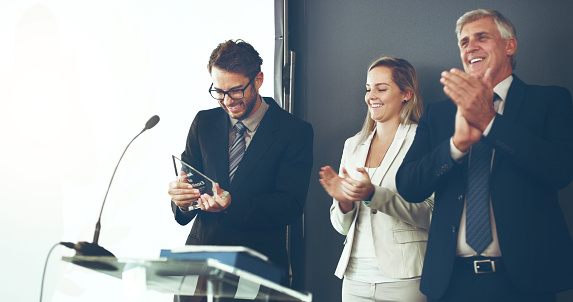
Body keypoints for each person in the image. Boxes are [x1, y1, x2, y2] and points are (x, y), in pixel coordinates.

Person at [396, 9, 573, 302]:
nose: (470, 47)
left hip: (526, 283)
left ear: (509, 45)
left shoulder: (550, 100)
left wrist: (491, 121)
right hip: (451, 282)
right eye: (464, 42)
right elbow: (409, 185)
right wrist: (456, 145)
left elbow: (560, 170)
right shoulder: (439, 113)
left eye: (481, 37)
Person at [167, 39, 314, 299]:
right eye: (219, 91)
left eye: (235, 91)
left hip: (255, 269)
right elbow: (189, 193)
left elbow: (290, 206)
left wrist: (232, 204)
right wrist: (182, 201)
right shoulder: (203, 122)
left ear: (258, 79)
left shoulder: (294, 132)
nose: (226, 101)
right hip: (199, 267)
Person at [319, 56, 433, 302]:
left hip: (405, 279)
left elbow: (431, 214)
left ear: (407, 94)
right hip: (354, 279)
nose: (371, 96)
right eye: (368, 89)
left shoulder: (423, 140)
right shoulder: (352, 145)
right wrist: (344, 203)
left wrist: (373, 195)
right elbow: (341, 227)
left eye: (382, 88)